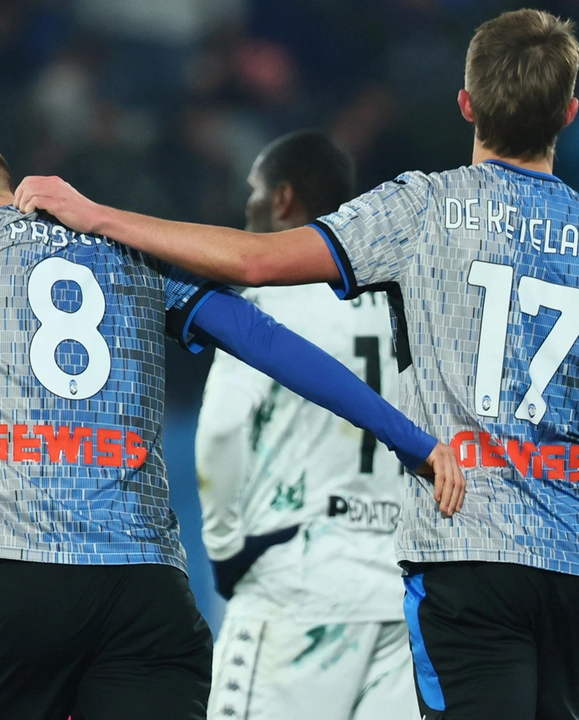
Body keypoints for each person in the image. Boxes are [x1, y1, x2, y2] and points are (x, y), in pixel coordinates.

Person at [12, 8, 579, 719]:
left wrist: (98, 215)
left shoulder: (423, 207)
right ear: (571, 113)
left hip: (467, 550)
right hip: (578, 571)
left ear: (467, 103)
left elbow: (256, 261)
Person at [0, 95, 463, 720]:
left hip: (24, 582)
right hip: (149, 594)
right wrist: (410, 440)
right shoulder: (126, 245)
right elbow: (261, 336)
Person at [197, 130, 418, 720]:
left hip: (299, 580)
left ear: (284, 200)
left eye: (254, 192)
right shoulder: (402, 305)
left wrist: (224, 548)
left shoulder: (268, 300)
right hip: (396, 586)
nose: (247, 205)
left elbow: (221, 428)